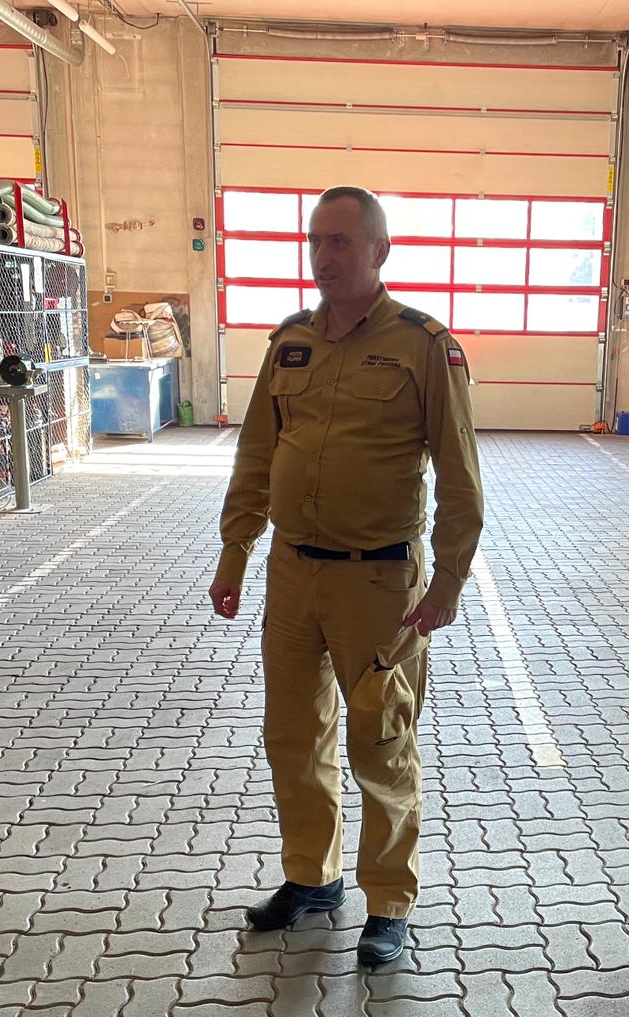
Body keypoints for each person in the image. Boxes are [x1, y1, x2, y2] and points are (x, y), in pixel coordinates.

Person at [210, 186, 484, 967]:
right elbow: (256, 455)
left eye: (340, 242)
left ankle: (389, 901)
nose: (323, 257)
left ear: (379, 251)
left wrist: (448, 582)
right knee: (293, 737)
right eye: (316, 241)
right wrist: (235, 553)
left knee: (382, 739)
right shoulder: (290, 342)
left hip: (380, 582)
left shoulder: (424, 345)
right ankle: (312, 877)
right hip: (294, 575)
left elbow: (460, 474)